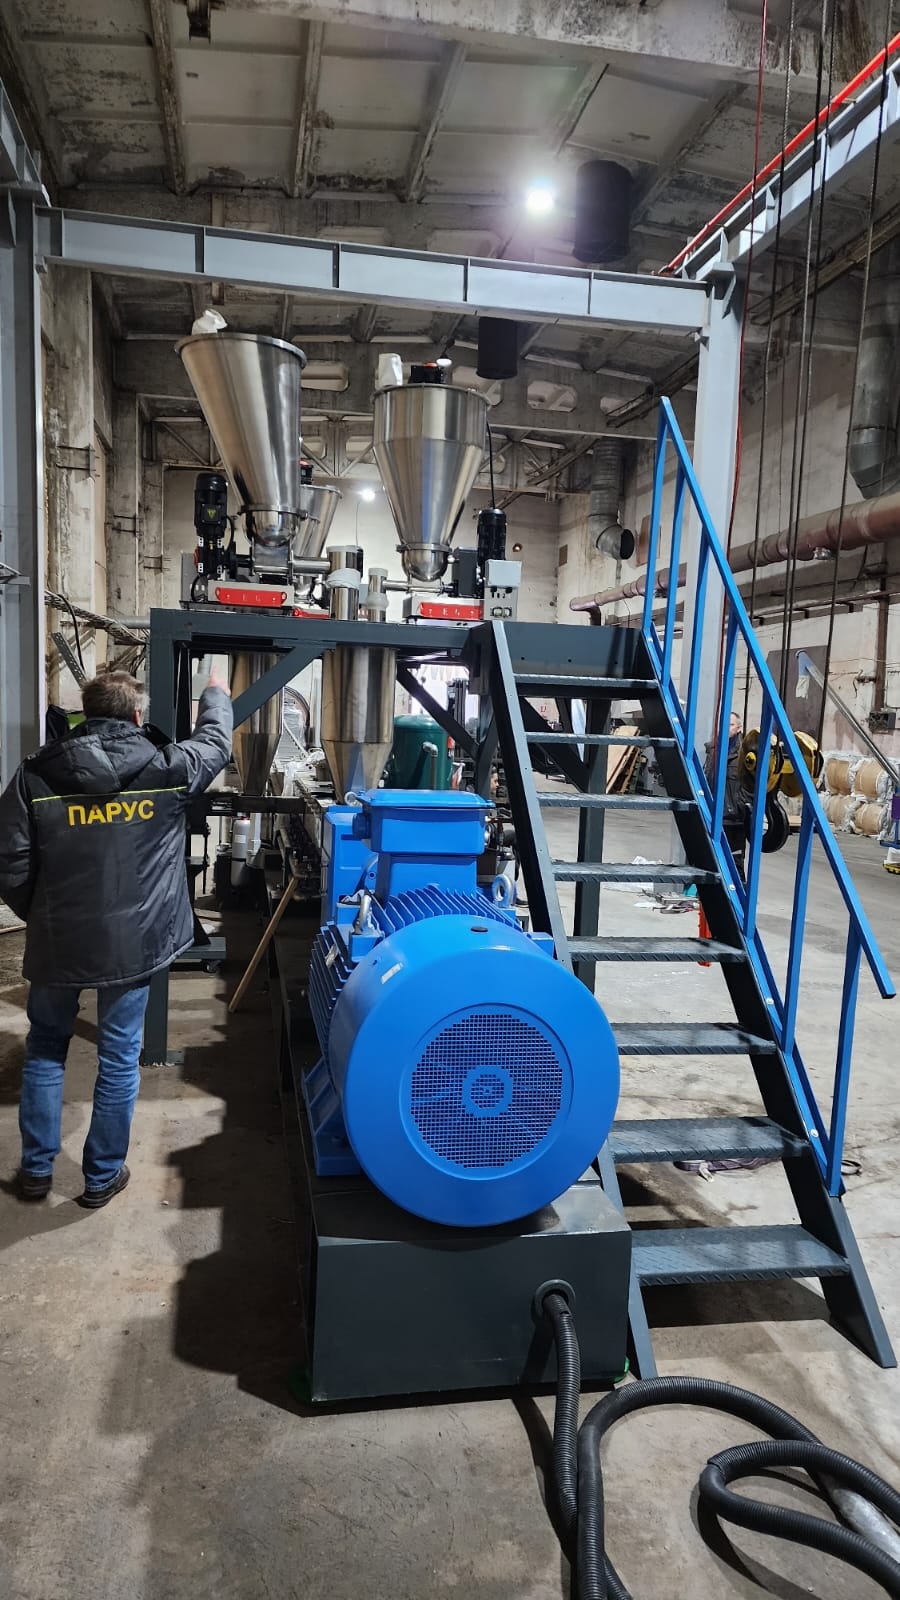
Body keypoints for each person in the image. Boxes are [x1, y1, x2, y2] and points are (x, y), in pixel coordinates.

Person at [0, 668, 233, 1208]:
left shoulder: (34, 774)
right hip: (133, 943)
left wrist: (42, 914)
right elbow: (216, 742)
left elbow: (10, 861)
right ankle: (101, 1176)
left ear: (84, 713)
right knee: (120, 1057)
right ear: (136, 714)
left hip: (58, 941)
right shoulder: (168, 768)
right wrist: (214, 693)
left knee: (45, 1047)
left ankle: (36, 1169)